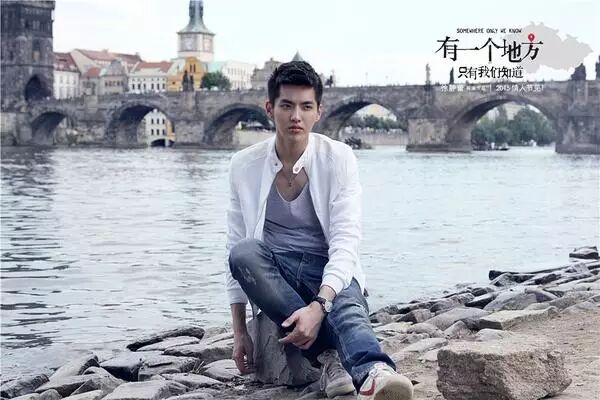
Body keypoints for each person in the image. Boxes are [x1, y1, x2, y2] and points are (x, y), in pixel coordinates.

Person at [225, 60, 414, 400]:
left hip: (328, 269)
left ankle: (372, 372)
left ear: (319, 112)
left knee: (344, 306)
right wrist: (240, 332)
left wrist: (318, 306)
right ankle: (333, 357)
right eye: (286, 106)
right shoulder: (243, 165)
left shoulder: (339, 158)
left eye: (306, 107)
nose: (295, 116)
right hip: (277, 273)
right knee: (243, 253)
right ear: (270, 109)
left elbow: (345, 243)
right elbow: (235, 251)